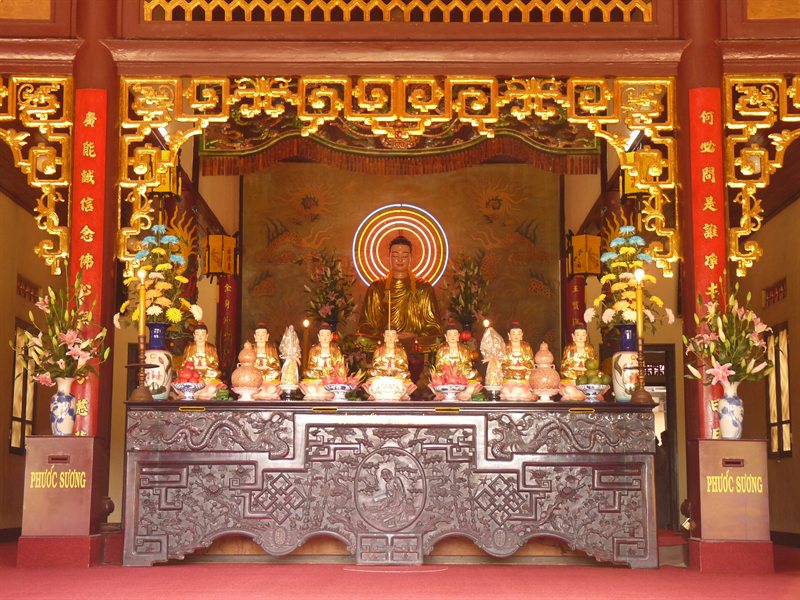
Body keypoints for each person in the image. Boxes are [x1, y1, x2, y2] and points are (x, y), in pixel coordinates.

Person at [357, 234, 442, 339]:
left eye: (405, 256)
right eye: (395, 256)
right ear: (389, 257)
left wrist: (416, 335)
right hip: (383, 345)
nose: (400, 260)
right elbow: (364, 326)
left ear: (411, 258)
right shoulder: (377, 287)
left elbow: (435, 327)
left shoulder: (423, 288)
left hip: (415, 346)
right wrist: (383, 336)